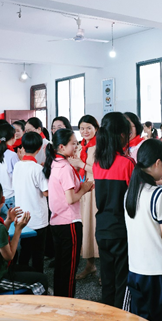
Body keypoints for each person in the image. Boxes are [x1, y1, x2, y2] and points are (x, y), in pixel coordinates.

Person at [123, 139, 162, 321]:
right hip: (158, 271)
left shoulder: (130, 193)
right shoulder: (159, 195)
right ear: (157, 163)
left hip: (136, 269)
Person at [0, 180, 48, 295]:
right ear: (3, 200)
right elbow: (9, 256)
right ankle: (30, 306)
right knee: (41, 281)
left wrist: (8, 221)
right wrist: (18, 230)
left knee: (31, 270)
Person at [43, 129, 93, 297]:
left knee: (61, 267)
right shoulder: (65, 167)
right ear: (62, 147)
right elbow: (70, 199)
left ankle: (60, 300)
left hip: (57, 221)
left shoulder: (55, 163)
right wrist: (84, 188)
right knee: (69, 270)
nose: (76, 146)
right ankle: (68, 302)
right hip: (69, 222)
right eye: (73, 143)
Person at [92, 112, 135, 308]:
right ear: (122, 135)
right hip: (121, 228)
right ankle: (121, 319)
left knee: (107, 278)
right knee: (122, 279)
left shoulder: (97, 163)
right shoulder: (127, 163)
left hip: (102, 227)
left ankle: (107, 315)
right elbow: (135, 198)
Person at [69, 115, 100, 281]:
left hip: (95, 189)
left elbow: (100, 170)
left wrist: (80, 164)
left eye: (89, 127)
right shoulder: (81, 146)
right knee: (86, 226)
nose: (85, 131)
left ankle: (104, 269)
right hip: (83, 189)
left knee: (95, 226)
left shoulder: (100, 146)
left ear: (96, 128)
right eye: (82, 128)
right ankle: (90, 264)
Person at [14, 132, 49, 273]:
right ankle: (38, 281)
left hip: (22, 216)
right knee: (38, 254)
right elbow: (46, 192)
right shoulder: (38, 169)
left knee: (25, 251)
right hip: (37, 217)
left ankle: (22, 279)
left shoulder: (17, 165)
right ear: (39, 148)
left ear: (23, 147)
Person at [0, 123, 20, 218]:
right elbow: (18, 177)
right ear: (14, 136)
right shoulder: (12, 155)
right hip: (12, 197)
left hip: (3, 196)